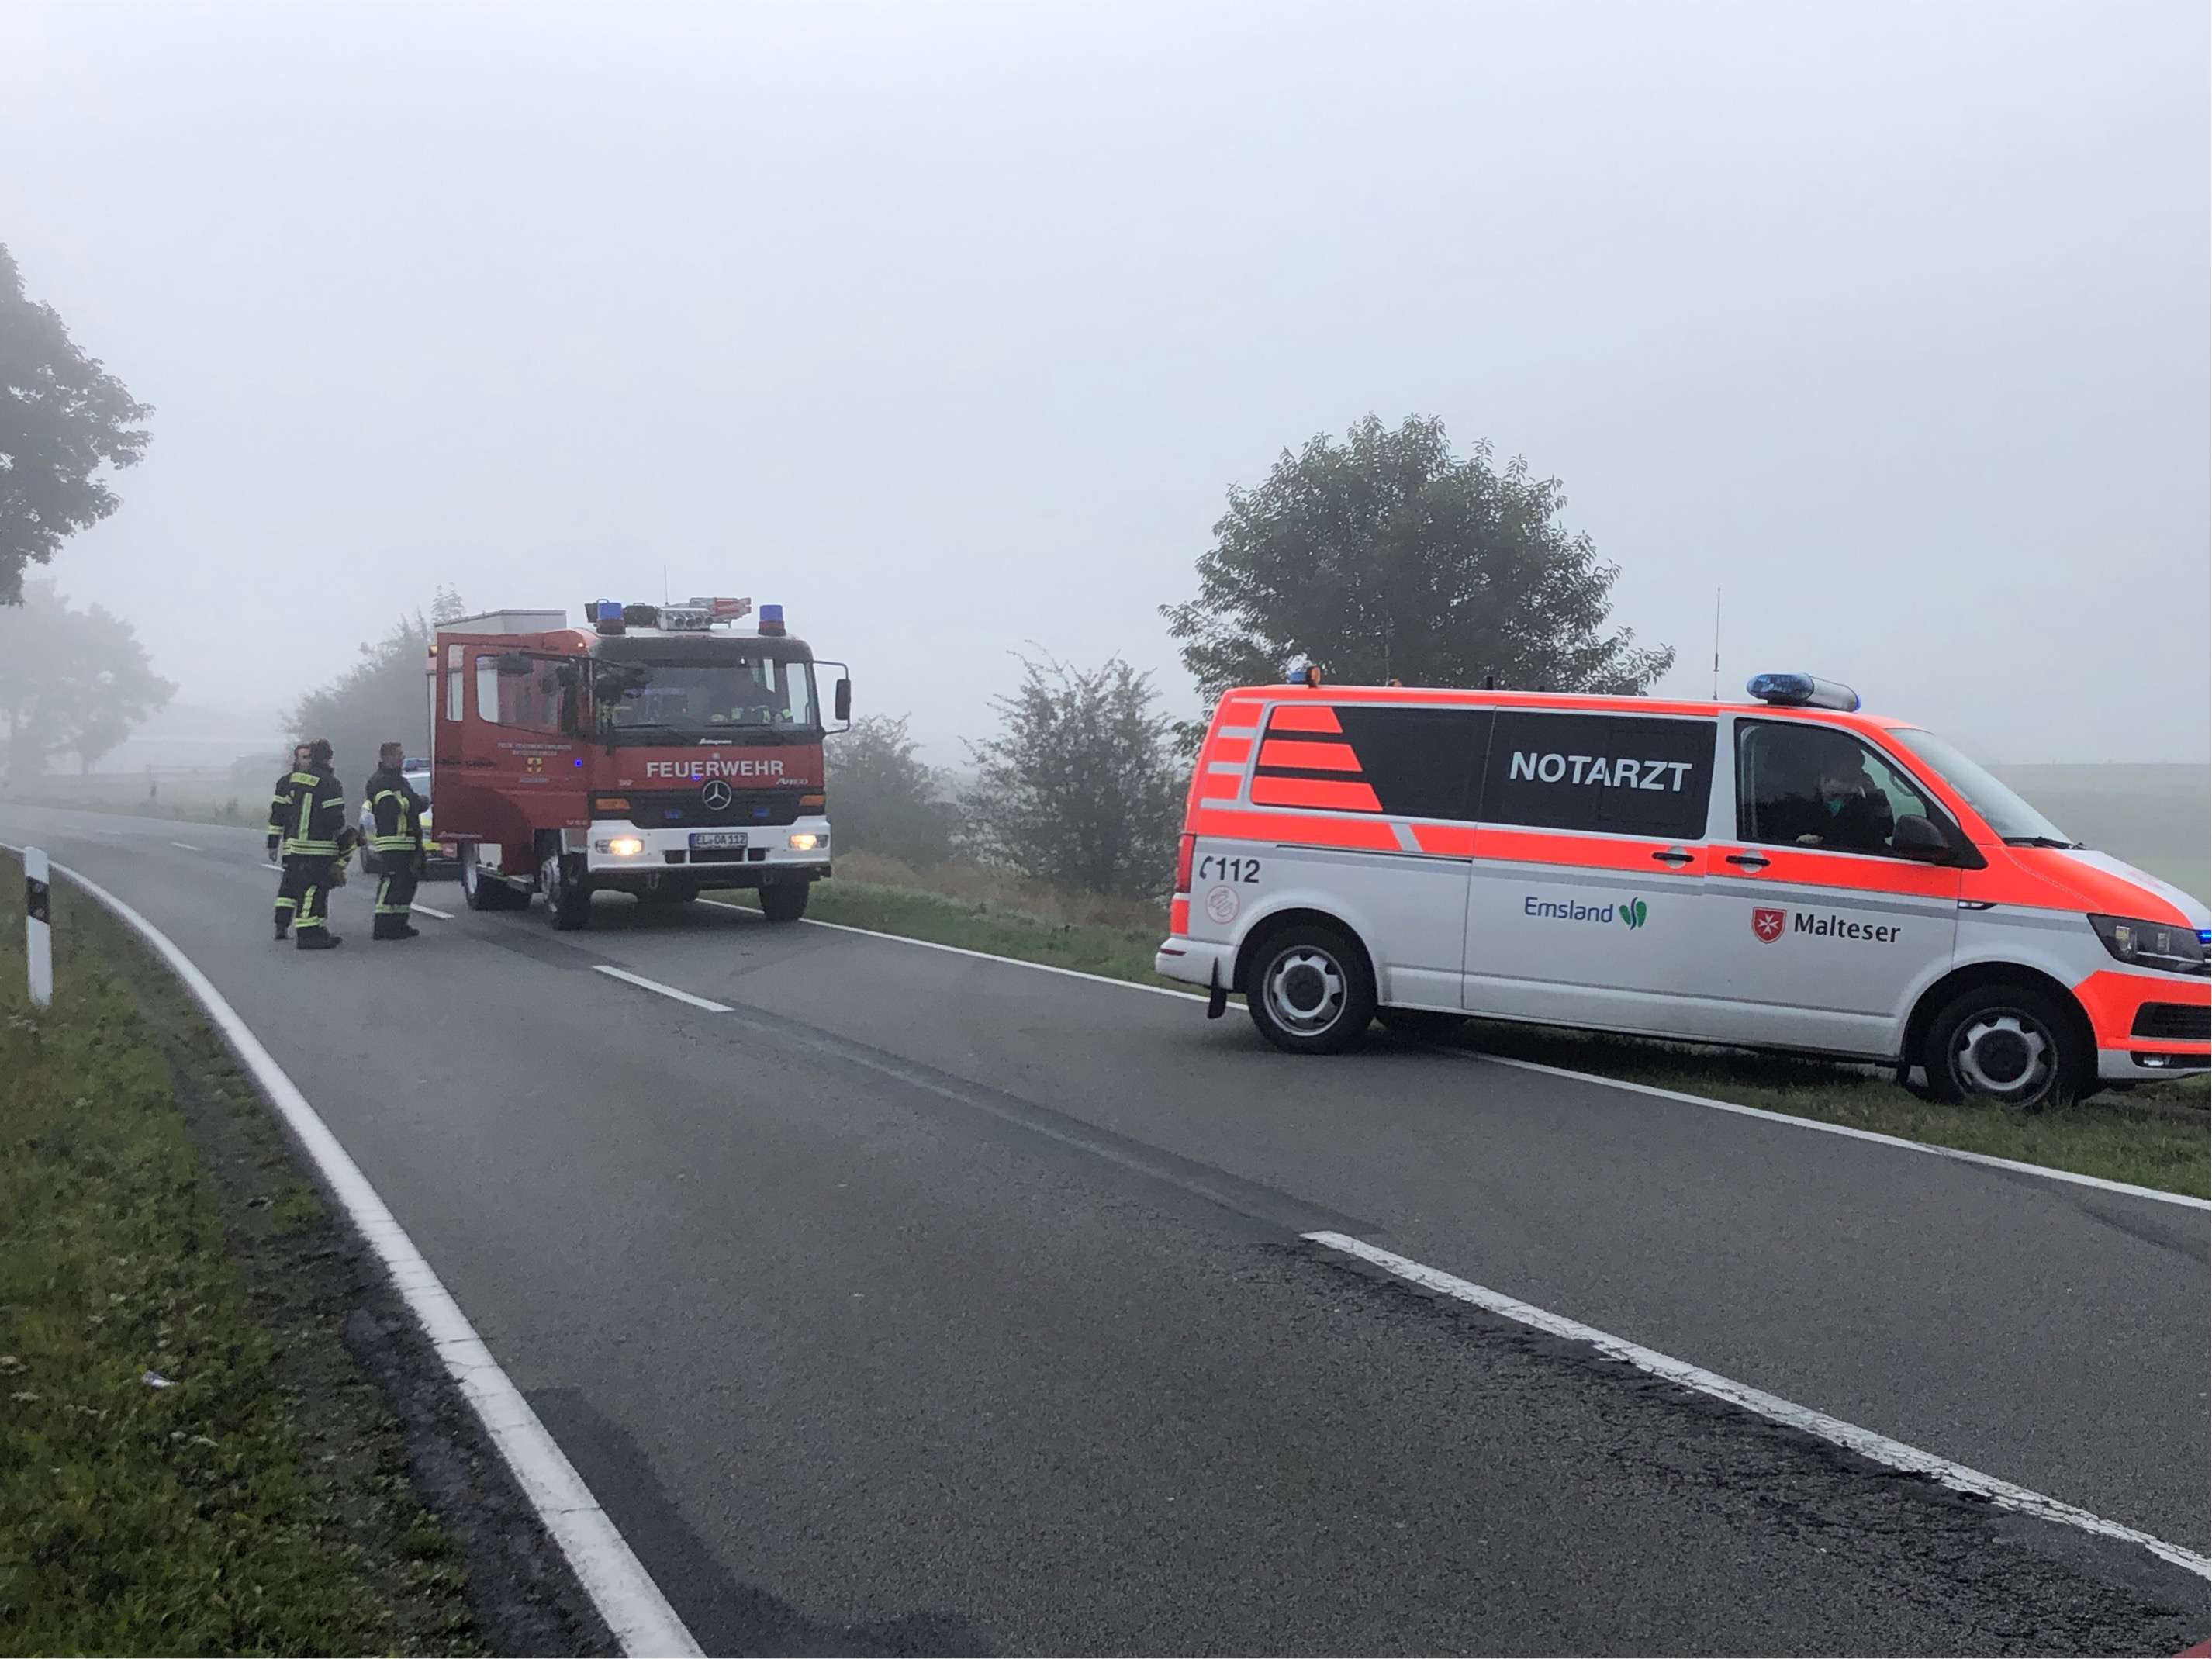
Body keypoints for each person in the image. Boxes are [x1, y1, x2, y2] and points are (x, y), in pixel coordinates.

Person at [269, 738, 357, 950]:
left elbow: (281, 813)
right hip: (319, 845)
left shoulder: (294, 780)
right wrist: (343, 834)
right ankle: (309, 933)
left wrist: (274, 842)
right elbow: (334, 818)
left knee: (304, 887)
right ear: (328, 757)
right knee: (314, 889)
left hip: (297, 844)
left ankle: (316, 929)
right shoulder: (329, 782)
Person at [364, 741, 427, 941]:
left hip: (407, 840)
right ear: (386, 757)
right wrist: (417, 803)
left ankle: (399, 923)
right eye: (398, 755)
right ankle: (382, 926)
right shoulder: (380, 781)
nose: (402, 758)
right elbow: (387, 807)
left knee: (406, 883)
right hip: (393, 840)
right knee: (391, 882)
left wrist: (415, 803)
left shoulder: (399, 780)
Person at [1792, 740, 1896, 854]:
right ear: (1825, 775)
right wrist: (1802, 843)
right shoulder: (1802, 802)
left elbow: (1887, 830)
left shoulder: (1863, 803)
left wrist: (1873, 793)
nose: (1852, 786)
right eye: (1844, 779)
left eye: (1856, 775)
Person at [267, 743, 313, 938]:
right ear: (296, 759)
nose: (307, 761)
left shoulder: (319, 782)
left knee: (309, 885)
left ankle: (307, 925)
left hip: (314, 845)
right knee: (289, 885)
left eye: (310, 757)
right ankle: (281, 925)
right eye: (303, 757)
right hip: (292, 844)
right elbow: (278, 815)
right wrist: (273, 843)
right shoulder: (285, 783)